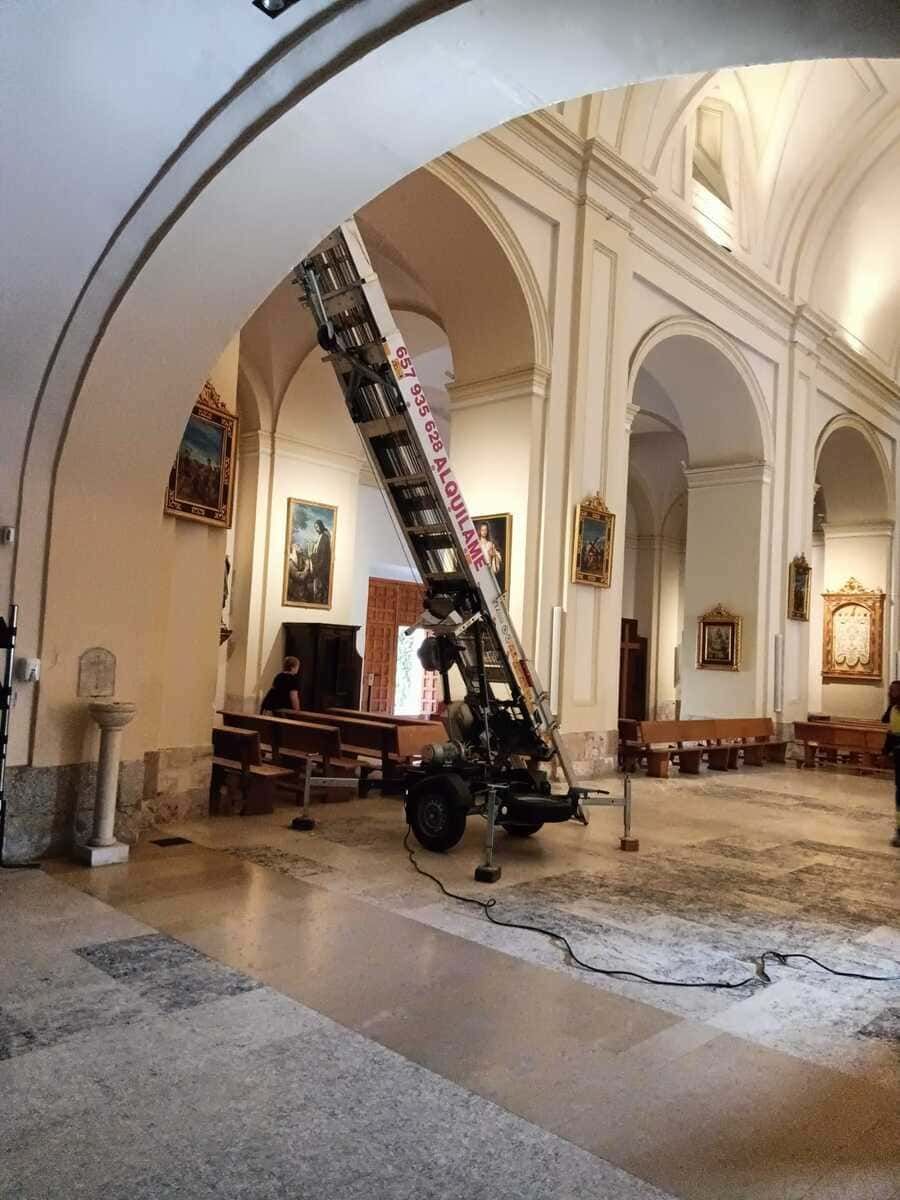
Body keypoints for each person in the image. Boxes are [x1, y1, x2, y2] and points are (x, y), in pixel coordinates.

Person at [881, 679, 900, 847]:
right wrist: (885, 753)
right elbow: (890, 734)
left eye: (894, 690)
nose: (891, 693)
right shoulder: (892, 710)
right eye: (890, 690)